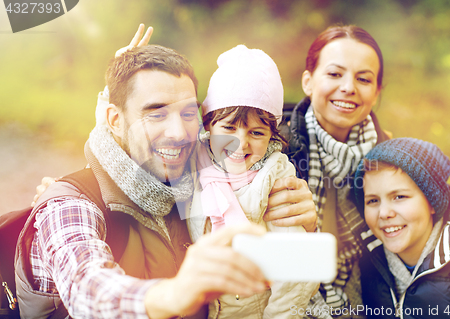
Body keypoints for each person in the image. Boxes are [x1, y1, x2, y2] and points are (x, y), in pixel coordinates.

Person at [16, 30, 317, 318]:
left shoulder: (197, 179)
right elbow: (88, 287)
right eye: (156, 113)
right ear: (115, 120)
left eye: (187, 114)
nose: (177, 133)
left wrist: (303, 223)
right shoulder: (69, 206)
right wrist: (176, 293)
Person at [187, 44, 318, 318]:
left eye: (257, 132)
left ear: (272, 135)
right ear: (207, 122)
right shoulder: (192, 162)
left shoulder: (275, 180)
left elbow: (296, 274)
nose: (240, 143)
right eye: (228, 127)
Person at [284, 25, 390, 317]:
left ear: (376, 92)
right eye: (334, 74)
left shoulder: (391, 157)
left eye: (363, 78)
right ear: (308, 81)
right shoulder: (273, 147)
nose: (348, 87)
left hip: (367, 300)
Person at [352, 138, 450, 318]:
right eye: (373, 201)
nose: (383, 213)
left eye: (399, 197)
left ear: (432, 203)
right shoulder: (363, 262)